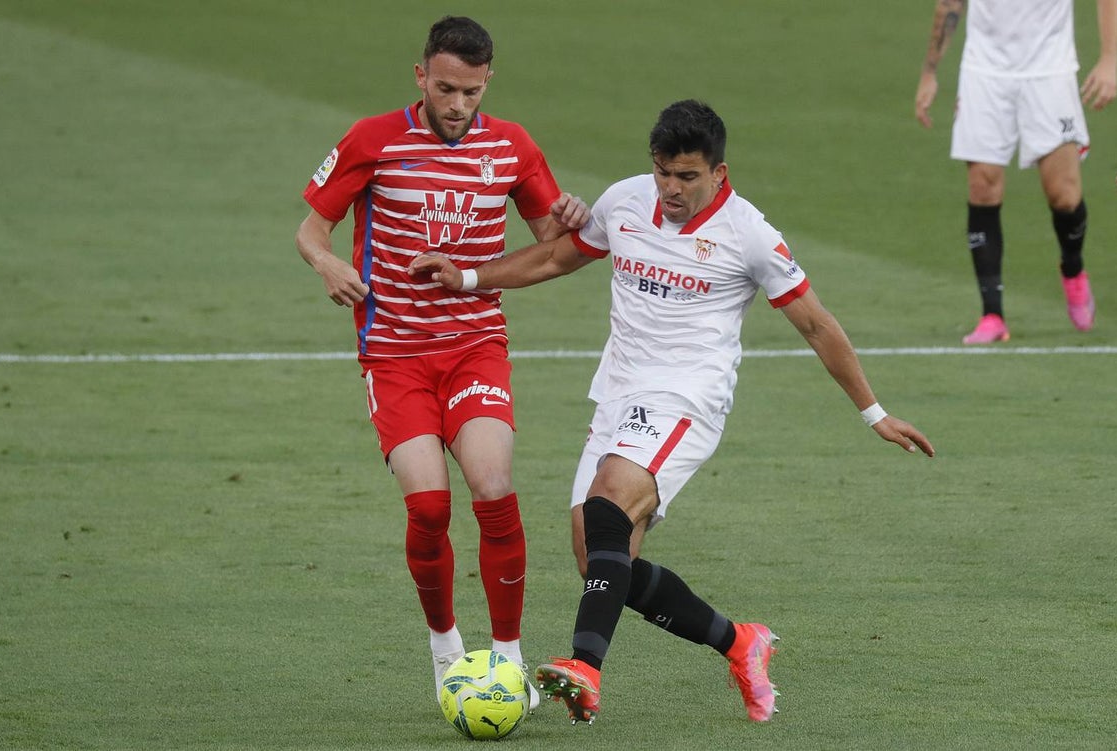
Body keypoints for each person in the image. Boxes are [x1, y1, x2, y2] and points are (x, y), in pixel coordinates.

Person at [409, 100, 936, 725]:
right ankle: (741, 643)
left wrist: (873, 413)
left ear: (719, 172)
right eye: (663, 173)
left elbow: (818, 325)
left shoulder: (749, 234)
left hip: (689, 398)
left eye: (687, 176)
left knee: (608, 503)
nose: (671, 189)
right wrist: (468, 278)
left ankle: (584, 668)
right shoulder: (625, 201)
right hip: (618, 393)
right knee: (597, 555)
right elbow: (556, 258)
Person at [294, 15, 589, 708]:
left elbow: (554, 246)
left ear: (489, 82)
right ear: (421, 76)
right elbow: (311, 228)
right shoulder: (373, 140)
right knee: (428, 505)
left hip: (474, 346)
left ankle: (509, 659)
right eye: (447, 88)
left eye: (472, 92)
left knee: (493, 484)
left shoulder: (512, 147)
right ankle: (445, 645)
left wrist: (573, 217)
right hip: (393, 354)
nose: (458, 106)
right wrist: (326, 261)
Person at [915, 0, 1117, 344]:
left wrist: (1110, 59)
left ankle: (1072, 266)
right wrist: (930, 72)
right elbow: (951, 3)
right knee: (982, 186)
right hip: (985, 71)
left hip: (1050, 69)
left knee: (1064, 196)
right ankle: (992, 314)